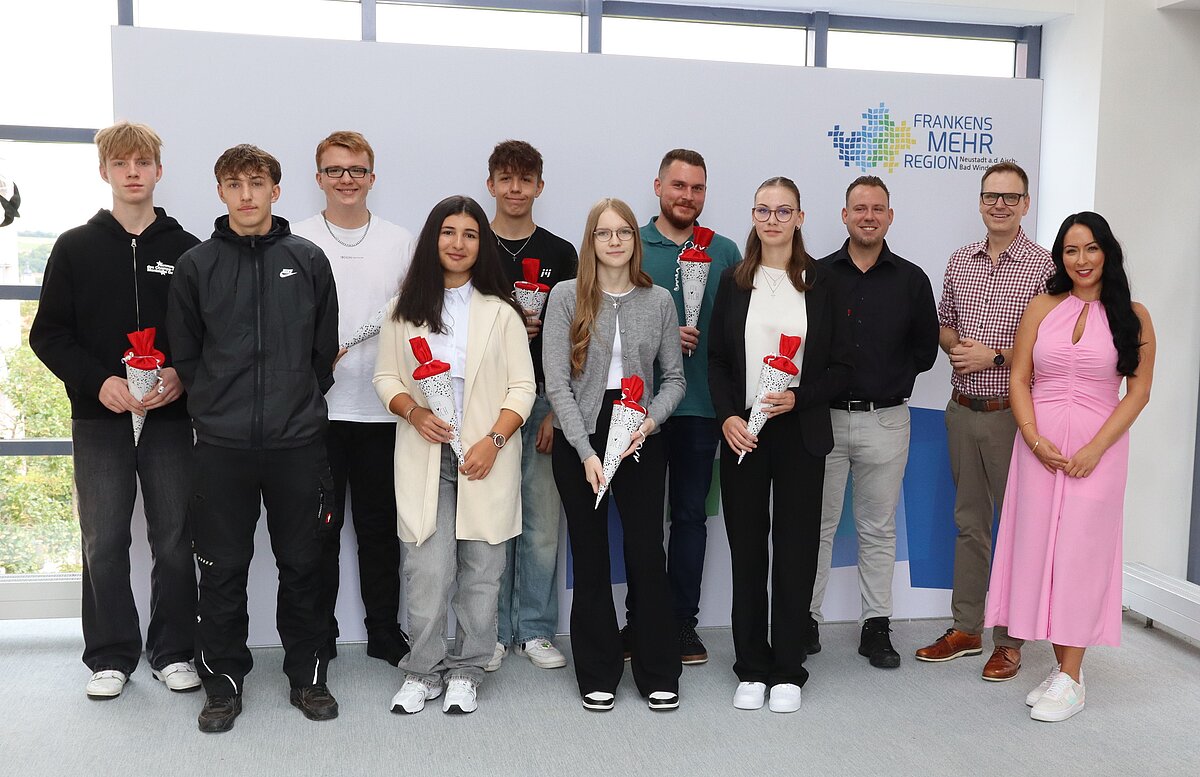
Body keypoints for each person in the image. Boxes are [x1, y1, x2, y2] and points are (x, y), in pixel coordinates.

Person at [167, 144, 340, 733]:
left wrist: (294, 400)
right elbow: (187, 356)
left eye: (257, 183)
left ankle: (308, 677)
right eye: (235, 184)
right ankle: (223, 684)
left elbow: (322, 351)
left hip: (297, 444)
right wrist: (218, 408)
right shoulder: (196, 265)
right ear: (220, 192)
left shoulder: (308, 259)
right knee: (220, 570)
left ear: (275, 190)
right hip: (222, 448)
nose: (246, 195)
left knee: (304, 565)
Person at [30, 121, 200, 700]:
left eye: (142, 162)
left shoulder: (187, 249)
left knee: (174, 538)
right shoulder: (74, 247)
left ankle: (173, 651)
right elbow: (49, 335)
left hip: (169, 419)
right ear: (104, 171)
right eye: (121, 163)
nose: (132, 172)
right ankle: (110, 654)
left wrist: (182, 374)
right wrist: (97, 381)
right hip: (99, 418)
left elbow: (208, 332)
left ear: (159, 170)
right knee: (102, 540)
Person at [985, 212, 1154, 722]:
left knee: (1081, 555)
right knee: (1041, 550)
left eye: (1091, 248)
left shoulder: (1135, 316)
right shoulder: (1042, 305)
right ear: (1061, 257)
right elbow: (1019, 378)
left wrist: (1096, 449)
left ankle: (1073, 677)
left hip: (1098, 452)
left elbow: (1138, 392)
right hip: (1039, 448)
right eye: (1071, 250)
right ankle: (1063, 672)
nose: (1081, 260)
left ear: (1107, 252)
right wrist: (1033, 438)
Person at [374, 195, 535, 716]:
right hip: (426, 453)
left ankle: (467, 670)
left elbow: (522, 388)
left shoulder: (501, 311)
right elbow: (386, 377)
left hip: (485, 455)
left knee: (482, 570)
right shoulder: (403, 310)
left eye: (470, 234)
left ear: (481, 244)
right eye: (448, 232)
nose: (458, 243)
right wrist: (413, 413)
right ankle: (422, 671)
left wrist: (494, 441)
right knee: (427, 569)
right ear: (433, 239)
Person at [708, 177, 853, 713]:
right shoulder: (734, 280)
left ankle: (789, 668)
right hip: (744, 433)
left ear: (800, 217)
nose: (773, 220)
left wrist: (798, 397)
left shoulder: (823, 282)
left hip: (800, 431)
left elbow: (842, 368)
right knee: (747, 552)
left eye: (783, 210)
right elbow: (717, 361)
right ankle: (751, 666)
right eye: (764, 210)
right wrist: (727, 416)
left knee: (795, 551)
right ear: (753, 215)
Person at [543, 197, 686, 712]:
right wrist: (584, 450)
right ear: (591, 241)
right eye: (603, 233)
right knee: (590, 553)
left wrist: (649, 421)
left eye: (623, 231)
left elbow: (674, 379)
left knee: (646, 552)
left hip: (639, 435)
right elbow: (557, 383)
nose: (614, 241)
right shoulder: (566, 296)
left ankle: (657, 669)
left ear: (634, 239)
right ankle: (598, 671)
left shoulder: (659, 300)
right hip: (581, 433)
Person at [916, 161, 1054, 682]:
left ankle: (1010, 641)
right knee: (969, 524)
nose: (999, 204)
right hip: (961, 411)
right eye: (991, 195)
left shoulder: (1044, 268)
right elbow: (944, 325)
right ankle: (966, 629)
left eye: (1010, 197)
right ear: (979, 202)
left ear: (1025, 204)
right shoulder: (960, 261)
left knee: (1016, 528)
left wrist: (993, 356)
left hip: (1011, 417)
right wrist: (956, 346)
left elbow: (1050, 350)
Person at [292, 131, 415, 666]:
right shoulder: (294, 238)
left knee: (380, 530)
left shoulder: (399, 241)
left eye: (357, 170)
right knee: (318, 533)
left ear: (372, 177)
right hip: (314, 413)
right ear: (319, 178)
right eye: (335, 170)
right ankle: (319, 633)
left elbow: (417, 318)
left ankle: (384, 631)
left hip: (383, 410)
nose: (347, 179)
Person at [809, 176, 939, 668]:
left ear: (889, 216)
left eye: (877, 209)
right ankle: (805, 619)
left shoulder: (912, 280)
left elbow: (925, 351)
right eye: (859, 208)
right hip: (823, 419)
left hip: (886, 419)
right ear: (844, 215)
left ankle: (876, 626)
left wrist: (888, 378)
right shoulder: (817, 275)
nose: (868, 216)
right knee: (816, 526)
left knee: (878, 528)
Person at [637, 148, 741, 664]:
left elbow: (739, 327)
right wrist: (658, 335)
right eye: (678, 185)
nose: (687, 196)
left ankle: (682, 625)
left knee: (690, 519)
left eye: (697, 188)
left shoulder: (724, 251)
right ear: (658, 186)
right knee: (640, 522)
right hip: (639, 410)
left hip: (701, 409)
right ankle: (641, 622)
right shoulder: (631, 244)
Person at [483, 140, 577, 672]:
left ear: (540, 186)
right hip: (487, 401)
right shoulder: (472, 243)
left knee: (542, 522)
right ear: (491, 184)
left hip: (544, 398)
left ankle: (536, 630)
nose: (515, 189)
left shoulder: (561, 253)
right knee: (492, 518)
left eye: (525, 179)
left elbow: (578, 336)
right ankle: (493, 631)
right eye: (506, 178)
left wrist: (559, 409)